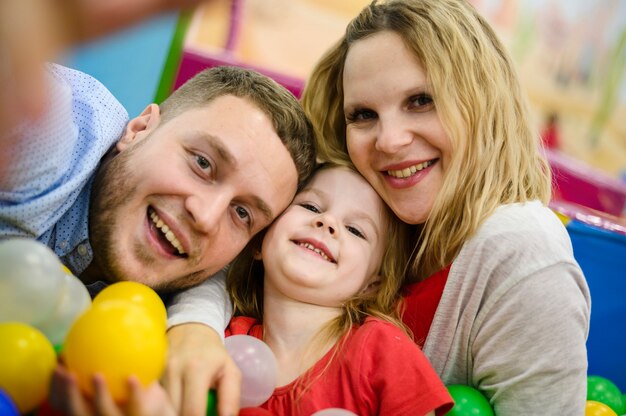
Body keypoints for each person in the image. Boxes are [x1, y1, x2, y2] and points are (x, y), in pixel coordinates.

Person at [299, 0, 591, 414]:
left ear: (482, 102)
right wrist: (196, 325)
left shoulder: (522, 251)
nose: (389, 140)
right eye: (363, 114)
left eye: (421, 100)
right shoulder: (371, 231)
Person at [0, 63, 316, 415]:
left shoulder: (192, 276)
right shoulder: (44, 129)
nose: (207, 217)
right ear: (139, 129)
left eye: (242, 213)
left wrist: (196, 326)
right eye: (203, 163)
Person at [226, 163, 453, 415]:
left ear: (371, 286)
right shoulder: (223, 340)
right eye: (310, 207)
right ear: (260, 240)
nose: (327, 221)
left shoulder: (383, 350)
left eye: (355, 230)